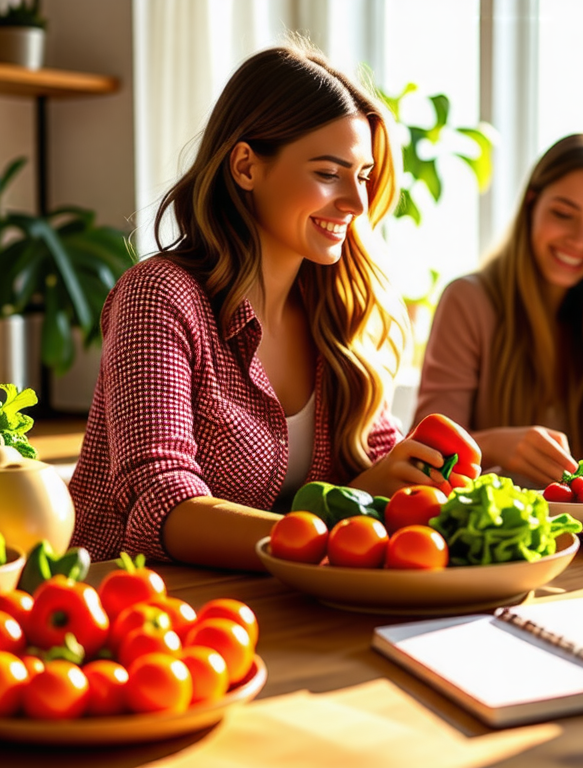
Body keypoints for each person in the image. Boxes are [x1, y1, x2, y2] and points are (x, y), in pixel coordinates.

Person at [69, 44, 450, 570]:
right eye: (327, 173)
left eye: (363, 176)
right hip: (142, 608)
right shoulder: (158, 297)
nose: (358, 204)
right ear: (246, 166)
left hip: (285, 605)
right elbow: (161, 502)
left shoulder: (337, 311)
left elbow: (374, 470)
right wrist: (334, 534)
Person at [414, 134, 583, 485]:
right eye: (563, 214)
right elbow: (423, 454)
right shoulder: (469, 300)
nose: (578, 241)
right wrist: (494, 446)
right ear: (532, 203)